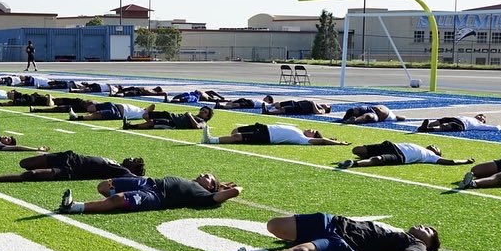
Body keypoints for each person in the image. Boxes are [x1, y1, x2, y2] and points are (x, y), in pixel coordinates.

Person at [229, 213, 439, 251]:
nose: (425, 227)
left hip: (346, 244)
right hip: (332, 222)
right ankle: (306, 240)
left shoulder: (416, 244)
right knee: (274, 225)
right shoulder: (398, 230)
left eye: (429, 231)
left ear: (428, 244)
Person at [57, 173, 241, 214]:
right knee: (104, 186)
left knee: (117, 198)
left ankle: (74, 207)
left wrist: (235, 189)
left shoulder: (203, 195)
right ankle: (115, 203)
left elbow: (229, 193)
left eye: (207, 177)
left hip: (157, 198)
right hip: (148, 182)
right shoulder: (194, 183)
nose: (202, 175)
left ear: (211, 187)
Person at [0, 152, 145, 184]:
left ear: (133, 168)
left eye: (133, 161)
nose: (130, 158)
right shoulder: (117, 163)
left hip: (72, 171)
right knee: (25, 163)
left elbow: (140, 180)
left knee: (32, 174)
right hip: (70, 157)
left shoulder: (124, 172)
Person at [337, 141, 473, 168]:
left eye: (437, 147)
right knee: (357, 150)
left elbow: (450, 162)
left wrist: (466, 160)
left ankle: (353, 164)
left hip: (401, 157)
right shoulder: (419, 145)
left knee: (378, 159)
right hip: (391, 146)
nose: (434, 146)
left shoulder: (431, 156)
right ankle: (362, 158)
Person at [201, 123, 349, 146]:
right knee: (236, 131)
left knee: (237, 137)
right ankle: (216, 139)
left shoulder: (303, 139)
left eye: (314, 132)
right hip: (264, 128)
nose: (311, 129)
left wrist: (336, 142)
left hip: (267, 137)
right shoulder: (298, 130)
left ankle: (211, 140)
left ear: (313, 137)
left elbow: (322, 141)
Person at [123, 106, 213, 130]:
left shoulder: (203, 122)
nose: (202, 111)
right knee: (147, 115)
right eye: (202, 110)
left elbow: (197, 127)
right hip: (171, 116)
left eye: (205, 112)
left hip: (174, 123)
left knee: (152, 122)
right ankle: (145, 125)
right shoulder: (195, 115)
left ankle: (130, 126)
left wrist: (189, 116)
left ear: (207, 117)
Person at [417, 114, 500, 133]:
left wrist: (498, 126)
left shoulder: (479, 124)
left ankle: (427, 130)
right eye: (480, 115)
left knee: (446, 126)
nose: (480, 117)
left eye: (482, 118)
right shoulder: (469, 117)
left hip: (461, 125)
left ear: (483, 121)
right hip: (456, 119)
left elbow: (492, 128)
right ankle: (425, 126)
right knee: (442, 120)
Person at [339, 104, 406, 124]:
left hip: (376, 115)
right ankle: (346, 119)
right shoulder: (393, 116)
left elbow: (402, 118)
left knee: (368, 116)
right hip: (369, 108)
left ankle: (354, 120)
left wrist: (402, 117)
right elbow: (403, 117)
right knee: (353, 110)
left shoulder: (393, 117)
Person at [262, 100, 332, 115]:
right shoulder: (319, 105)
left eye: (327, 105)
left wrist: (313, 103)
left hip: (300, 108)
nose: (325, 104)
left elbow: (317, 112)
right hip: (297, 103)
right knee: (279, 104)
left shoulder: (322, 110)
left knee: (283, 110)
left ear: (327, 109)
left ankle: (268, 112)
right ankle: (267, 106)